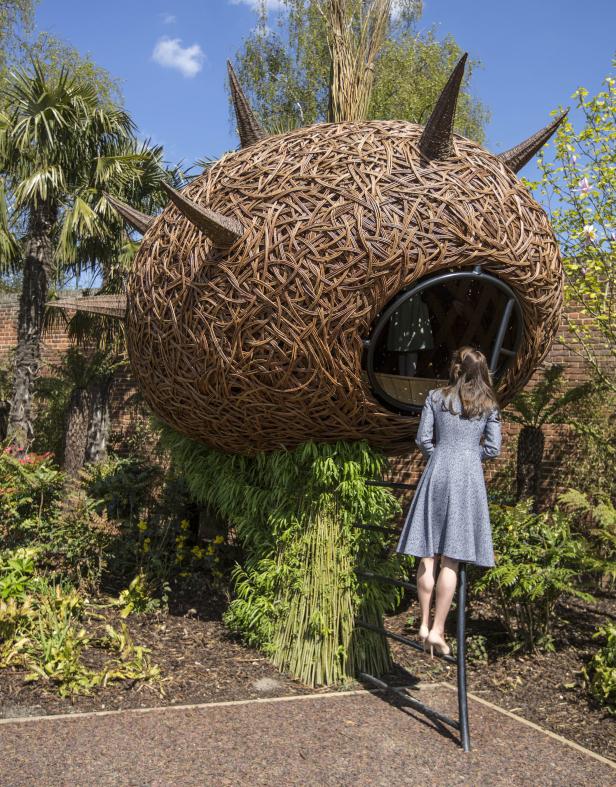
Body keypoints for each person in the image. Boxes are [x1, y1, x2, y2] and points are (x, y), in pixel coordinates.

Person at [395, 346, 502, 656]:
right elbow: (493, 449)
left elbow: (422, 439)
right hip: (467, 479)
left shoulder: (435, 397)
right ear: (483, 372)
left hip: (437, 472)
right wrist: (469, 456)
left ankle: (424, 623)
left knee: (427, 553)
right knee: (451, 558)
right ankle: (439, 630)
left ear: (457, 367)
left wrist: (440, 456)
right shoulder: (488, 405)